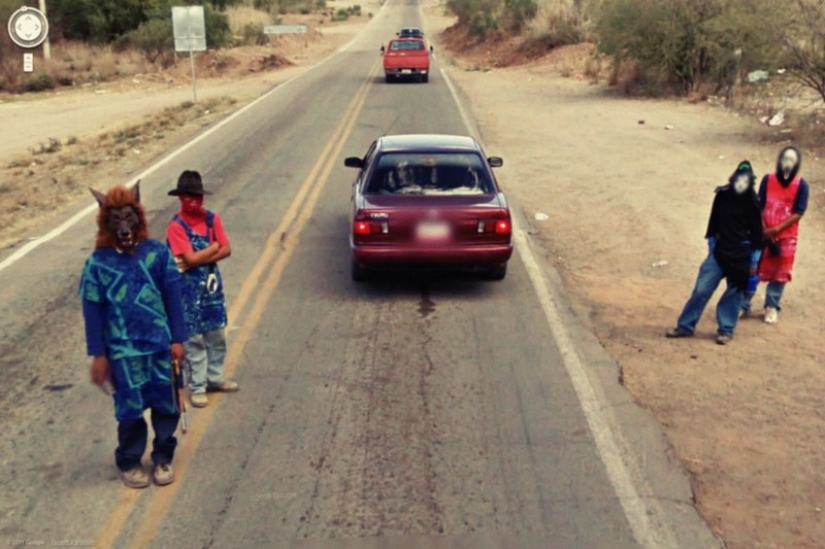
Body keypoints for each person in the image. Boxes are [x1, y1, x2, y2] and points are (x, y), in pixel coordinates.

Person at [80, 183, 188, 488]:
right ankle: (129, 459)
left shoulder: (157, 254)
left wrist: (178, 339)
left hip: (159, 346)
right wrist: (99, 354)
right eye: (116, 220)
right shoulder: (97, 264)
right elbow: (92, 311)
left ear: (138, 219)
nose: (124, 227)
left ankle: (163, 456)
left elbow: (173, 296)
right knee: (129, 407)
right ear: (106, 224)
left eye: (129, 218)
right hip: (123, 353)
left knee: (167, 403)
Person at [666, 161, 764, 345]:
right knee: (701, 289)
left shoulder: (752, 202)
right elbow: (712, 225)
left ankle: (726, 329)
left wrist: (753, 264)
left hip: (741, 254)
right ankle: (685, 326)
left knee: (734, 293)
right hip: (720, 251)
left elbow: (757, 237)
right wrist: (712, 249)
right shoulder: (722, 196)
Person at [166, 170, 238, 408]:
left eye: (196, 196)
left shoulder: (212, 219)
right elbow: (191, 258)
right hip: (187, 291)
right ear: (180, 198)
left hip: (210, 288)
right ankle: (197, 386)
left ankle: (214, 379)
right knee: (194, 339)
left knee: (216, 333)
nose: (192, 201)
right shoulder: (176, 226)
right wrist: (212, 248)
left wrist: (201, 255)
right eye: (187, 197)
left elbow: (226, 250)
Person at [741, 146, 809, 324]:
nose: (787, 163)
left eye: (791, 160)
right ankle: (743, 304)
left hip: (786, 237)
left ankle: (771, 306)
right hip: (762, 233)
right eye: (785, 159)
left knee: (780, 272)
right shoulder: (768, 180)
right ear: (779, 161)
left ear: (796, 164)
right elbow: (759, 205)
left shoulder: (802, 185)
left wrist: (776, 230)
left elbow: (799, 212)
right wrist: (764, 229)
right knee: (753, 268)